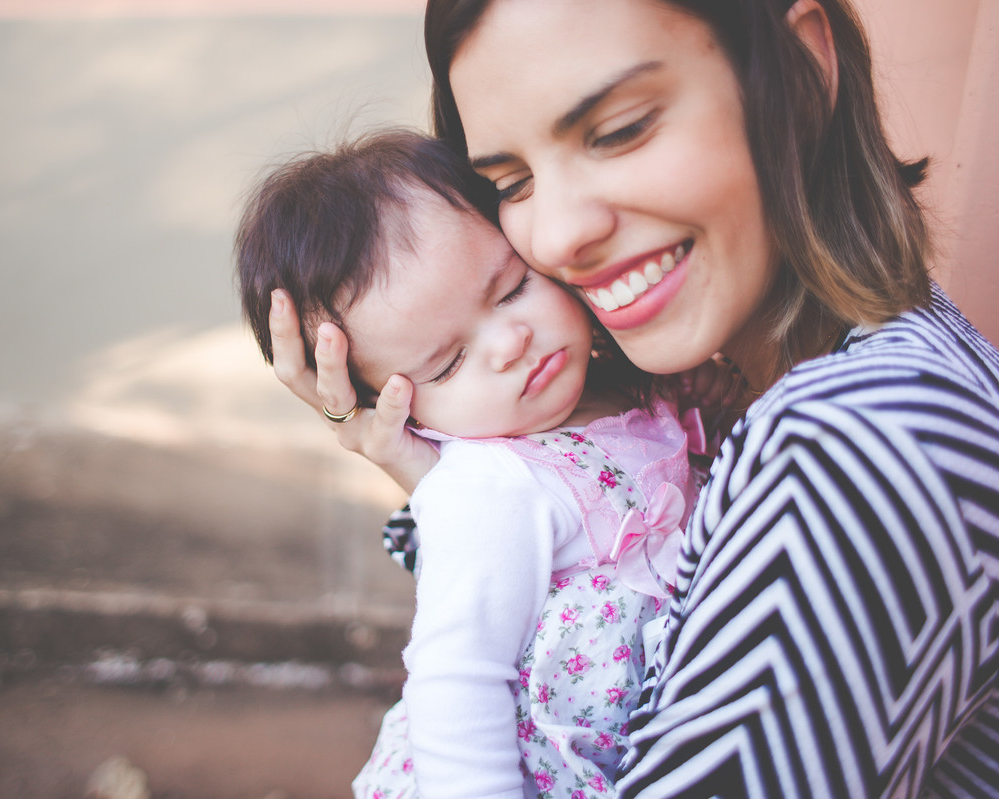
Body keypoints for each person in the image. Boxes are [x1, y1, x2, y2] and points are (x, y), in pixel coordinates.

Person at [265, 0, 999, 796]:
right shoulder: (897, 353)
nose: (557, 237)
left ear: (802, 71)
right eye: (512, 182)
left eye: (619, 130)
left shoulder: (845, 459)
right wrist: (436, 465)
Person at [236, 129, 725, 797]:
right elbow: (455, 684)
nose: (510, 342)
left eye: (512, 287)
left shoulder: (626, 386)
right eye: (448, 362)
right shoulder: (487, 489)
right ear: (397, 409)